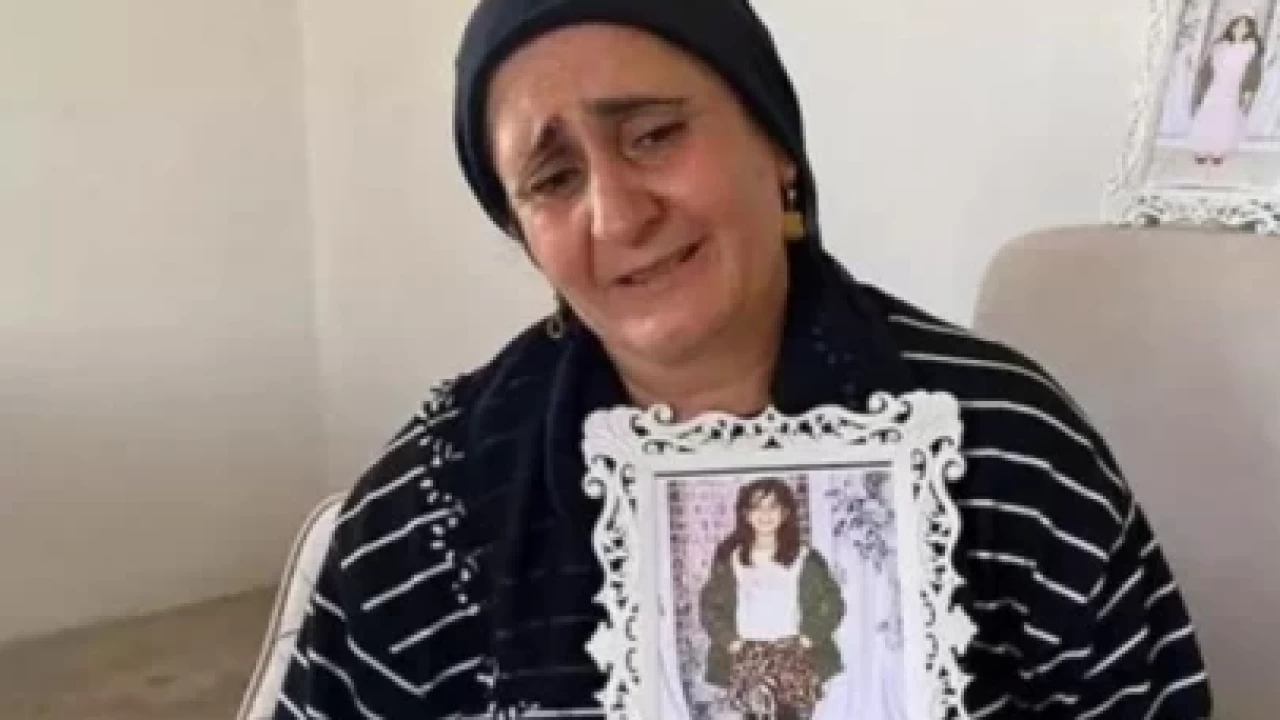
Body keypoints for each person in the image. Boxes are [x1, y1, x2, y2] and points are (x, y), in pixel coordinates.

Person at [274, 0, 1213, 717]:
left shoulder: (1008, 446)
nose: (618, 215)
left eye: (653, 134)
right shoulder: (429, 510)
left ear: (776, 145)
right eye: (553, 178)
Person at [699, 479, 843, 720]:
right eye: (757, 507)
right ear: (746, 514)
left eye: (773, 507)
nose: (765, 514)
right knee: (754, 715)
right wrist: (731, 641)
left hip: (792, 653)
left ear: (785, 513)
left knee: (790, 716)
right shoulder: (731, 558)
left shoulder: (805, 558)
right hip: (749, 654)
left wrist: (809, 637)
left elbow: (832, 602)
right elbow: (710, 606)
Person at [1189, 14, 1264, 164]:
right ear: (1232, 26)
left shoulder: (1251, 48)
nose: (1240, 29)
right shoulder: (1220, 45)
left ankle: (1219, 150)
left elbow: (1254, 71)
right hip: (1216, 84)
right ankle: (1202, 148)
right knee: (1207, 114)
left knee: (1226, 118)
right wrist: (1203, 84)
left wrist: (1248, 90)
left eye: (1244, 26)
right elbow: (1208, 67)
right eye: (1237, 25)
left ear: (1250, 30)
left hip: (1234, 87)